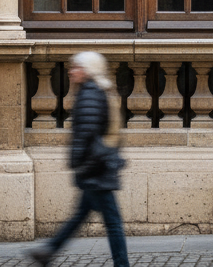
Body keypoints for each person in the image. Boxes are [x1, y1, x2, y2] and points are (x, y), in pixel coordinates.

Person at [30, 52, 128, 267]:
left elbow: (87, 134)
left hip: (96, 168)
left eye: (76, 67)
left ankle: (122, 265)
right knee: (82, 215)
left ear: (88, 70)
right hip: (96, 167)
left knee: (112, 223)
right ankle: (49, 250)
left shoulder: (90, 94)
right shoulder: (95, 91)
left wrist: (82, 164)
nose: (71, 71)